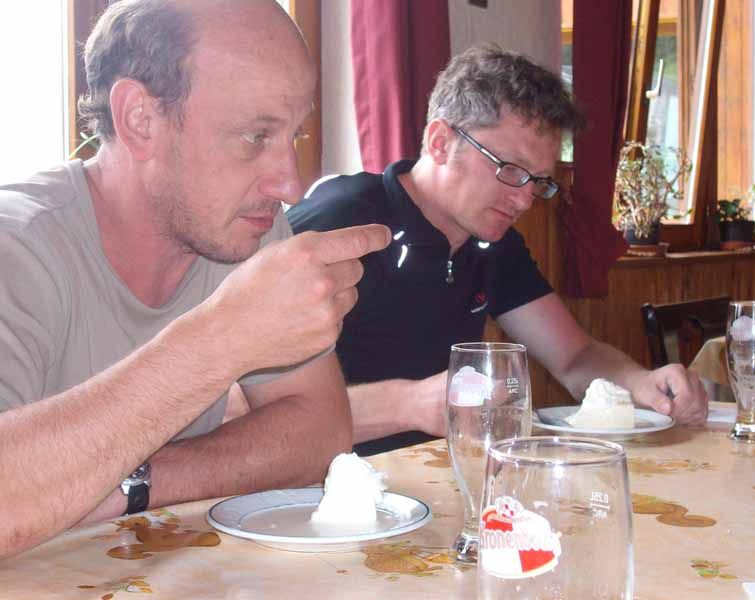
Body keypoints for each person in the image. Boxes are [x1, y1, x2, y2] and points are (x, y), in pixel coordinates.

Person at [0, 0, 390, 559]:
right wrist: (221, 340)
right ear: (140, 119)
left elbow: (321, 431)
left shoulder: (243, 227)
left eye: (295, 137)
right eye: (255, 136)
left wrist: (134, 483)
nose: (289, 184)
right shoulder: (16, 247)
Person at [288, 44, 708, 455]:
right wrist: (408, 405)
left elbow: (575, 357)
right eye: (509, 169)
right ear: (440, 142)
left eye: (538, 181)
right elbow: (254, 407)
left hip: (434, 480)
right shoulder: (340, 223)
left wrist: (640, 383)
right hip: (320, 489)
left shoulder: (492, 243)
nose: (525, 200)